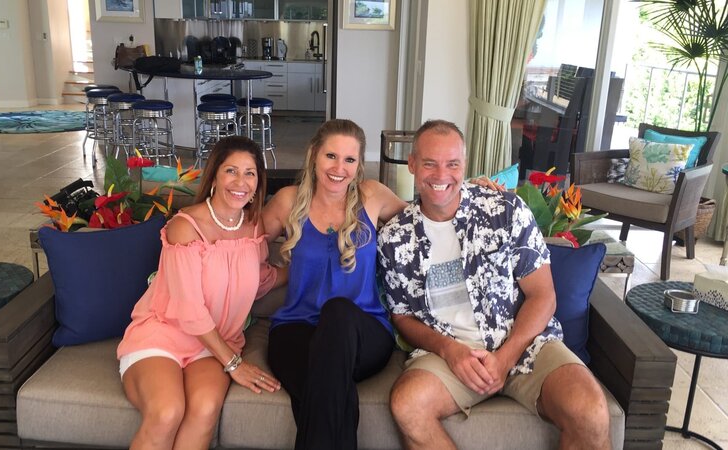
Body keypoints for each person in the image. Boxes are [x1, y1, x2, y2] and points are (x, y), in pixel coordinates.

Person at [377, 120, 611, 450]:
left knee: (591, 411)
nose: (441, 175)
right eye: (429, 163)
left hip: (524, 344)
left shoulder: (506, 210)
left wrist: (504, 359)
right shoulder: (394, 238)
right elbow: (402, 316)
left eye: (452, 164)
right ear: (412, 164)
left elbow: (543, 295)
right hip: (449, 355)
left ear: (465, 165)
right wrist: (449, 350)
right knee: (408, 404)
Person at [117, 136, 287, 450]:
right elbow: (189, 309)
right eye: (231, 171)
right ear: (214, 176)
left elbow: (256, 281)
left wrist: (303, 268)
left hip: (214, 342)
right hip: (164, 334)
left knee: (205, 409)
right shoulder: (185, 226)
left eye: (250, 173)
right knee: (167, 412)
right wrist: (236, 365)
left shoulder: (253, 228)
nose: (241, 182)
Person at [261, 119, 406, 450]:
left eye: (350, 160)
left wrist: (475, 192)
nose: (339, 168)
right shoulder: (288, 201)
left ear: (358, 165)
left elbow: (425, 222)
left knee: (337, 311)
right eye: (331, 156)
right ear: (314, 155)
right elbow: (241, 246)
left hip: (362, 330)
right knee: (327, 389)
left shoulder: (373, 196)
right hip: (296, 327)